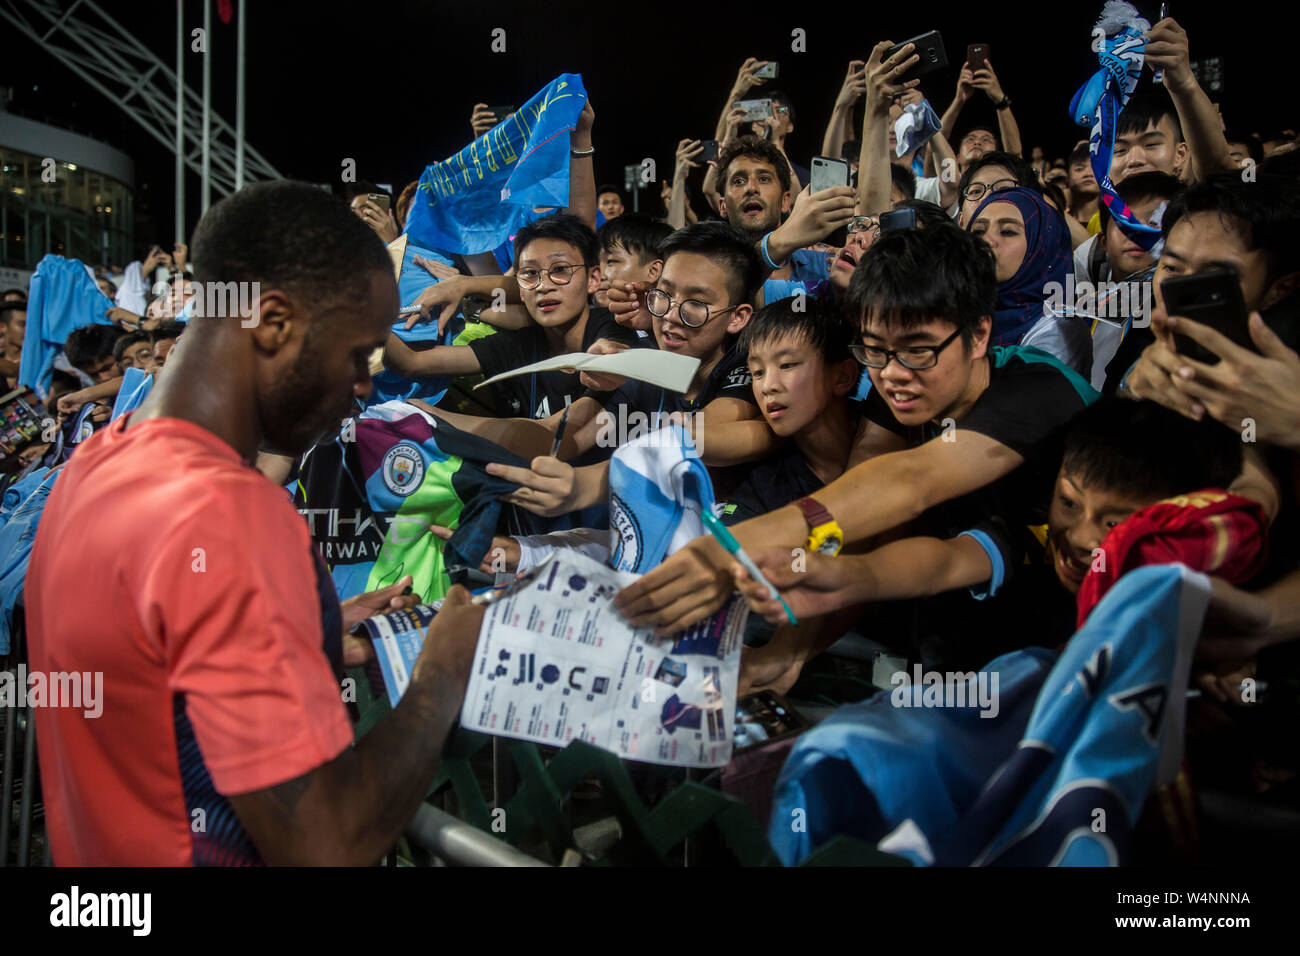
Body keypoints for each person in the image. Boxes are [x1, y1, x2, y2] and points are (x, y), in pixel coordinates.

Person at [26, 180, 485, 866]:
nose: (364, 385)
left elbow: (162, 660)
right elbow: (325, 844)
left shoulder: (95, 464)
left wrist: (312, 628)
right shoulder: (231, 515)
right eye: (359, 354)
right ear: (271, 321)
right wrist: (444, 674)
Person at [613, 225, 1106, 638]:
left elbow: (906, 482)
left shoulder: (1036, 388)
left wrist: (722, 551)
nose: (892, 374)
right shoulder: (901, 392)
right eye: (875, 350)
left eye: (917, 350)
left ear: (978, 335)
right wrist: (787, 654)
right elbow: (864, 508)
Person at [734, 398, 1247, 688]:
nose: (1082, 535)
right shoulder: (1036, 536)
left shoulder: (1206, 594)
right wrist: (843, 578)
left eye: (1116, 525)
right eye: (1069, 503)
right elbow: (945, 562)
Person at [383, 213, 636, 420]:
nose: (543, 285)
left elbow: (613, 346)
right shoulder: (517, 346)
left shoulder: (612, 325)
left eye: (560, 270)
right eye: (530, 273)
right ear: (519, 289)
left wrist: (611, 354)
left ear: (593, 279)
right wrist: (364, 310)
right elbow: (410, 362)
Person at [967, 185, 1092, 375]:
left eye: (1008, 232)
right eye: (978, 232)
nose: (987, 241)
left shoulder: (1059, 329)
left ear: (1042, 246)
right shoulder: (957, 309)